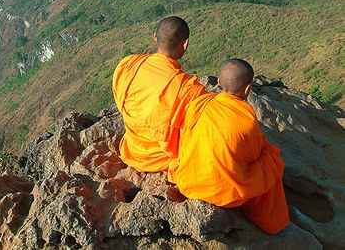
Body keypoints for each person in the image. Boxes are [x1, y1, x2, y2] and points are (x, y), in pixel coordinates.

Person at [168, 59, 289, 234]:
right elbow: (253, 156)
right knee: (273, 160)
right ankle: (270, 222)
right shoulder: (245, 119)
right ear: (248, 89)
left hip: (187, 180)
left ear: (218, 82)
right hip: (221, 193)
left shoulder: (198, 104)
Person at [112, 16, 205, 172]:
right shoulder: (189, 89)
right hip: (163, 159)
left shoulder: (128, 65)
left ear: (154, 37)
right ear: (185, 44)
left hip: (132, 150)